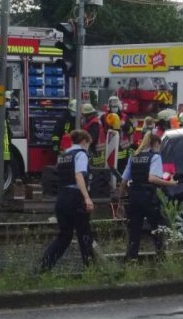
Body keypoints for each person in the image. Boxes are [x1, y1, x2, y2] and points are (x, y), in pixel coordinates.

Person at [40, 129, 96, 271]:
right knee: (84, 234)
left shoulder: (64, 155)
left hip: (62, 198)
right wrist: (87, 198)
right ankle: (91, 270)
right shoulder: (81, 154)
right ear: (84, 141)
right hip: (75, 198)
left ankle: (44, 267)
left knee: (64, 236)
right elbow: (79, 176)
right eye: (88, 144)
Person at [118, 133, 178, 261]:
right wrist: (170, 183)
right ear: (155, 144)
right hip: (149, 197)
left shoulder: (133, 157)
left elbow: (123, 182)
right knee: (157, 228)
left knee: (134, 230)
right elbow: (152, 178)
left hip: (134, 197)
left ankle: (131, 258)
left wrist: (120, 202)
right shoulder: (155, 157)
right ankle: (161, 256)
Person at [101, 95, 134, 170]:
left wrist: (124, 125)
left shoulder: (124, 117)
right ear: (109, 106)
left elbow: (131, 131)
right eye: (113, 106)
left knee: (121, 170)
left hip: (123, 150)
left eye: (116, 106)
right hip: (109, 147)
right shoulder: (104, 117)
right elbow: (101, 131)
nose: (114, 108)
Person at [81, 103, 104, 167]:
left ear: (88, 114)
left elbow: (92, 138)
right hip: (97, 150)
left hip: (95, 151)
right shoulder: (93, 121)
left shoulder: (94, 123)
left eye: (84, 114)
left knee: (95, 170)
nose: (83, 116)